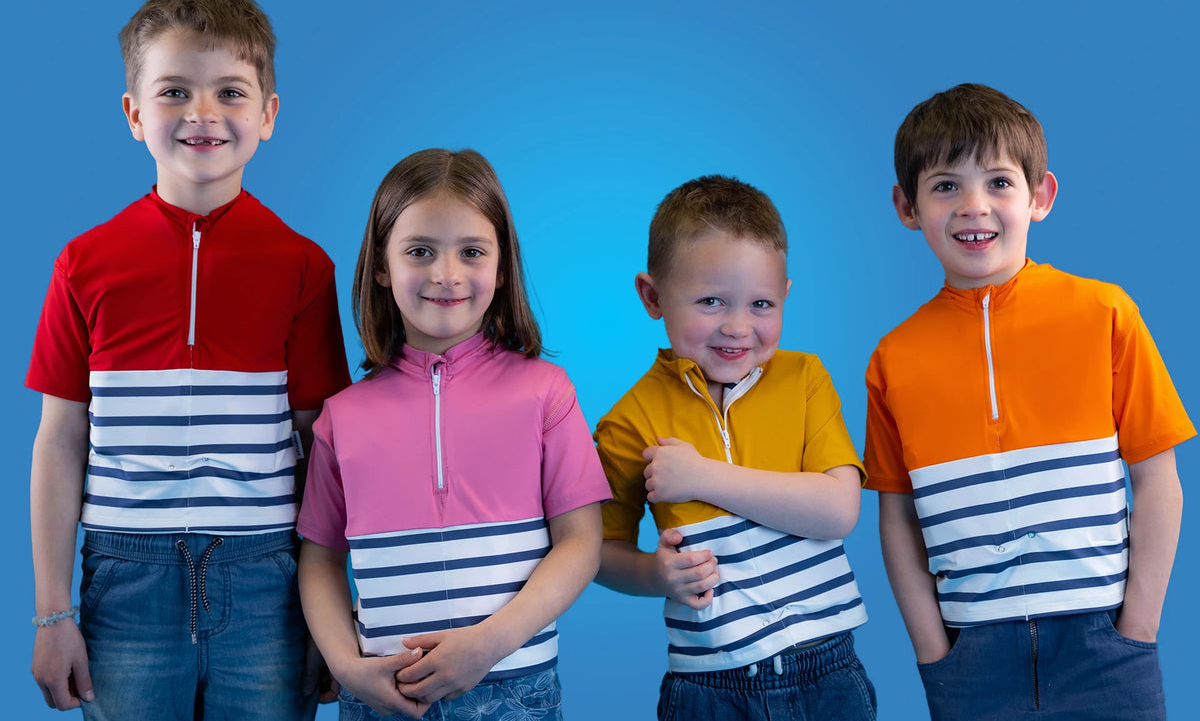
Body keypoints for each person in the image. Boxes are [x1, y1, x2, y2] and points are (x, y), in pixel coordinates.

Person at [26, 0, 351, 719]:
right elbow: (59, 440)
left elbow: (319, 449)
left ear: (267, 115)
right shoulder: (84, 263)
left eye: (230, 93)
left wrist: (330, 611)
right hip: (123, 578)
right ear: (134, 113)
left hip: (267, 578)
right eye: (174, 91)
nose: (202, 113)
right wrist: (53, 613)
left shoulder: (302, 266)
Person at [865, 83, 1195, 720]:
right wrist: (934, 652)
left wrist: (1139, 628)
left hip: (1105, 644)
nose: (973, 207)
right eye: (944, 187)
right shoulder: (893, 357)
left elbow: (1158, 478)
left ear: (1039, 196)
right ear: (907, 206)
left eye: (998, 183)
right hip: (971, 659)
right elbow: (897, 519)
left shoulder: (1104, 313)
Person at [297, 148, 610, 720]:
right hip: (382, 698)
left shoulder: (546, 392)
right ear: (383, 266)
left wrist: (488, 645)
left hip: (516, 692)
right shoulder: (342, 416)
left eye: (472, 252)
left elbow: (582, 543)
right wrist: (346, 667)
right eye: (420, 251)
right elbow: (319, 561)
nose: (447, 275)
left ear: (501, 265)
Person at [594, 175, 876, 720]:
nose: (737, 327)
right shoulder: (629, 423)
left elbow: (839, 510)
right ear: (652, 296)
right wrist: (653, 575)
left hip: (829, 672)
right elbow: (597, 552)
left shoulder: (804, 379)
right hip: (708, 688)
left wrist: (701, 478)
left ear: (786, 295)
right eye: (710, 301)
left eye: (761, 304)